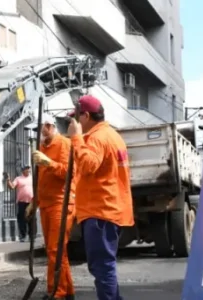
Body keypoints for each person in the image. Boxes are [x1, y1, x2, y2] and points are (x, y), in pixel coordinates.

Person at [67, 95, 133, 300]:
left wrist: (76, 138)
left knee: (102, 268)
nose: (75, 123)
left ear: (86, 115)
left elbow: (88, 165)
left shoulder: (96, 138)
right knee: (105, 267)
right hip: (110, 209)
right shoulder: (113, 135)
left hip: (100, 212)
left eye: (77, 118)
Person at [31, 113, 77, 300]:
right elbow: (41, 180)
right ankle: (67, 291)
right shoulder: (41, 148)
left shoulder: (64, 144)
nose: (37, 133)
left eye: (39, 129)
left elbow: (68, 172)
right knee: (57, 250)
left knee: (54, 249)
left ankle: (56, 292)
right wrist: (35, 202)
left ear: (49, 127)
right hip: (46, 203)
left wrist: (48, 162)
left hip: (61, 202)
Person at [6, 165, 34, 242]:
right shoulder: (18, 179)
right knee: (22, 220)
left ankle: (31, 236)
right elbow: (11, 187)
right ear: (23, 171)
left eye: (29, 169)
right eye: (26, 169)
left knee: (31, 219)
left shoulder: (33, 178)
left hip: (31, 202)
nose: (28, 170)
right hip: (21, 202)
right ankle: (23, 236)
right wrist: (8, 180)